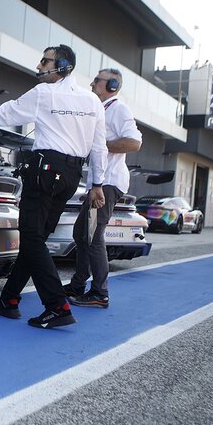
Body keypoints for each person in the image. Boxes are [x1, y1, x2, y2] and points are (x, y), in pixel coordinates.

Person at [0, 44, 107, 329]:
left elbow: (5, 114)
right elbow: (99, 148)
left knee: (32, 238)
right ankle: (9, 299)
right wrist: (96, 183)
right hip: (72, 176)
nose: (39, 66)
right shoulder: (93, 101)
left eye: (44, 61)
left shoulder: (43, 93)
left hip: (45, 172)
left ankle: (57, 306)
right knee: (35, 238)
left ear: (61, 66)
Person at [65, 69, 142, 308]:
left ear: (111, 85)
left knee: (93, 236)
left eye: (96, 80)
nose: (91, 83)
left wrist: (101, 145)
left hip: (108, 183)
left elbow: (134, 141)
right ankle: (78, 284)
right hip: (99, 183)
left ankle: (100, 293)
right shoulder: (103, 109)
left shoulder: (119, 108)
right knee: (81, 233)